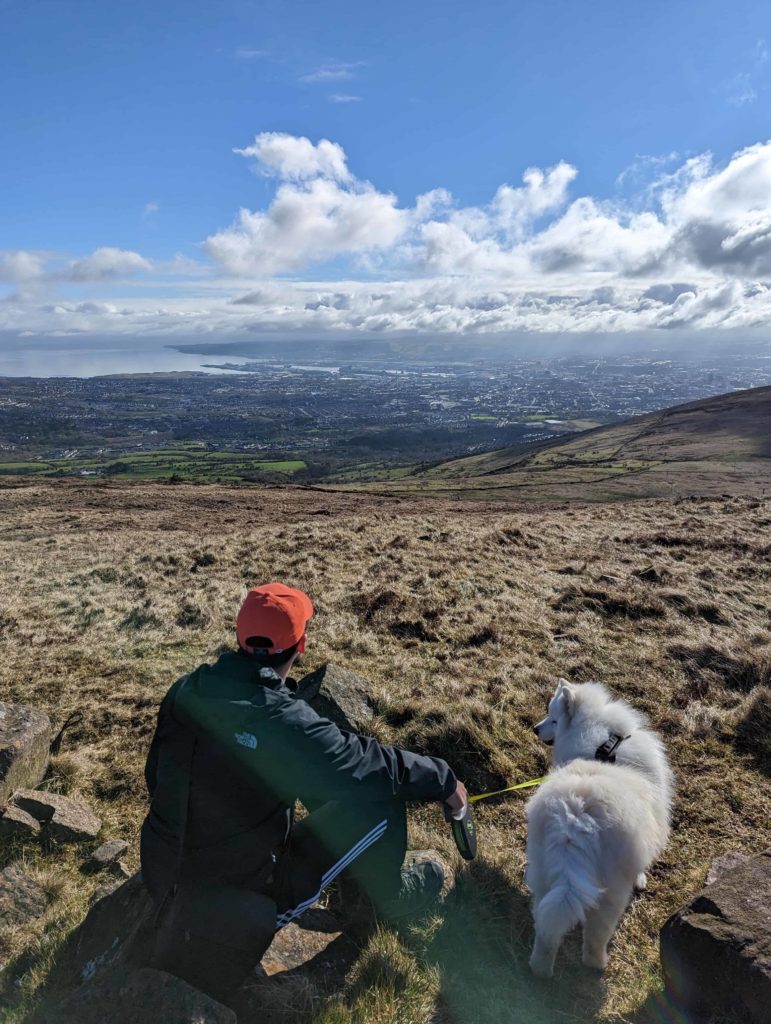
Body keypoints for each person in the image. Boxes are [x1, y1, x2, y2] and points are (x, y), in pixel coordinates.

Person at [140, 582, 467, 1001]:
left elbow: (156, 776)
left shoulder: (187, 688)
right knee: (381, 800)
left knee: (325, 787)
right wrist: (443, 778)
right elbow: (366, 765)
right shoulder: (279, 716)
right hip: (235, 907)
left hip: (165, 869)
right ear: (302, 644)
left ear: (240, 639)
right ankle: (380, 901)